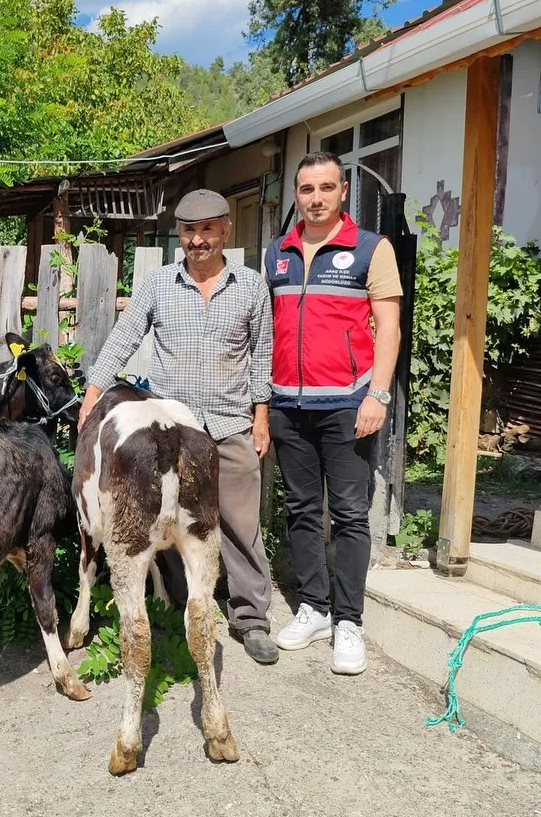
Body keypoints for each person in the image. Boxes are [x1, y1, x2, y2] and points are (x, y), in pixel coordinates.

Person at [79, 189, 278, 665]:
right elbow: (123, 338)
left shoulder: (251, 287)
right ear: (180, 235)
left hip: (230, 425)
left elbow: (263, 355)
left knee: (240, 524)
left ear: (226, 230)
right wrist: (91, 396)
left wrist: (262, 416)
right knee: (163, 521)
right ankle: (176, 610)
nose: (198, 239)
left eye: (208, 229)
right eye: (189, 230)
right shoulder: (158, 285)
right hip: (170, 432)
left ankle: (250, 618)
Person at [265, 151, 402, 675]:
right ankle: (313, 608)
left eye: (326, 188)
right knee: (301, 510)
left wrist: (379, 395)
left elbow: (388, 330)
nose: (316, 198)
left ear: (343, 191)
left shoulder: (372, 249)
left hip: (348, 406)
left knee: (347, 514)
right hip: (288, 406)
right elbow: (268, 331)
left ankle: (349, 622)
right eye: (306, 189)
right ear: (296, 195)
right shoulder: (277, 252)